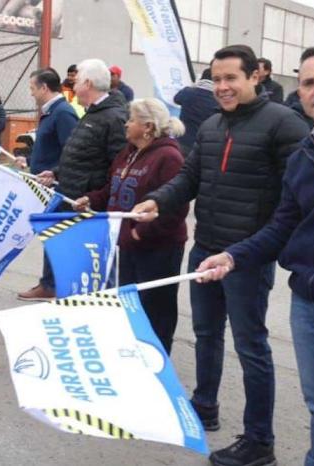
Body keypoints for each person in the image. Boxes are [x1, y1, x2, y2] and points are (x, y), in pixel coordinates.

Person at [131, 44, 310, 466]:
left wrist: (260, 247)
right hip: (205, 249)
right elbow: (190, 178)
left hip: (248, 258)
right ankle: (205, 406)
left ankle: (259, 440)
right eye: (217, 79)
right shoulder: (211, 125)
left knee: (251, 346)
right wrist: (157, 200)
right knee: (207, 335)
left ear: (255, 77)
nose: (223, 86)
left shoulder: (283, 124)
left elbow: (296, 197)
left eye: (232, 78)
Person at [196, 46, 314, 466]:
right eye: (310, 82)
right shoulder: (304, 155)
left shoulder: (281, 127)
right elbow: (283, 224)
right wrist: (234, 256)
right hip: (307, 301)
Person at [74, 98, 188, 354]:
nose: (126, 124)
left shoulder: (169, 156)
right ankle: (133, 356)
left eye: (132, 120)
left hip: (158, 248)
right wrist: (91, 199)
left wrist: (139, 232)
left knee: (155, 309)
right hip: (126, 244)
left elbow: (176, 207)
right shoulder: (128, 152)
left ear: (147, 126)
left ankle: (157, 361)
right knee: (128, 303)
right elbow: (113, 188)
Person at [18, 59, 127, 301]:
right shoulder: (93, 113)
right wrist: (56, 172)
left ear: (88, 83)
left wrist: (96, 197)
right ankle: (61, 291)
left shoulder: (113, 118)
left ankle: (95, 306)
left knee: (92, 262)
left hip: (88, 204)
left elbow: (118, 167)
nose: (72, 86)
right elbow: (79, 154)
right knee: (65, 249)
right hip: (71, 194)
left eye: (76, 82)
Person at [14, 67, 78, 301]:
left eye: (32, 88)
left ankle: (52, 285)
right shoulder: (50, 113)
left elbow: (72, 152)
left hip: (58, 188)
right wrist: (29, 160)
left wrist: (56, 173)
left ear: (43, 87)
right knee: (50, 234)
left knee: (55, 234)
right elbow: (49, 149)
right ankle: (50, 283)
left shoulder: (63, 113)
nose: (31, 93)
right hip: (45, 184)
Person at [174, 68, 219, 156]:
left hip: (182, 141)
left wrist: (193, 85)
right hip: (203, 145)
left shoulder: (188, 92)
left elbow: (176, 99)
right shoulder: (218, 100)